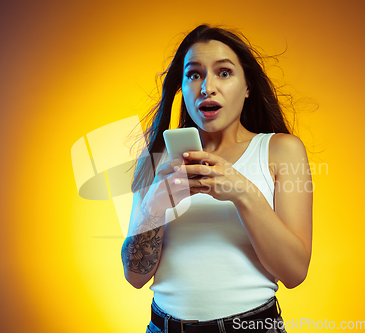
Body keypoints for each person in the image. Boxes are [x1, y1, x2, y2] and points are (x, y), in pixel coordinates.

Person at [121, 24, 313, 333]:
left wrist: (243, 193)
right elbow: (135, 276)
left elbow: (294, 273)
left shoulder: (281, 150)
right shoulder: (156, 159)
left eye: (224, 73)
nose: (207, 87)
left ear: (247, 86)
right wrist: (154, 208)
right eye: (194, 74)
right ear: (182, 87)